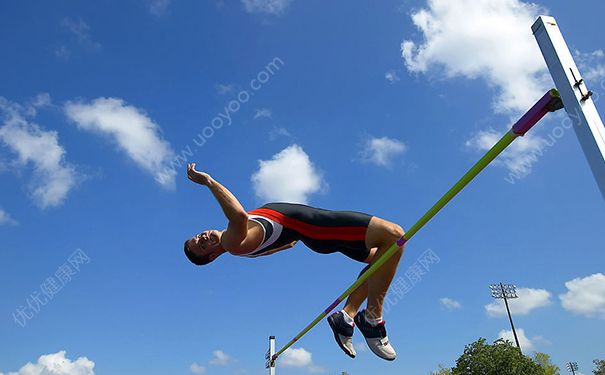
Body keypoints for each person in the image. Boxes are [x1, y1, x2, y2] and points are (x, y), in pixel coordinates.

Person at [183, 163, 405, 361]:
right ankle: (373, 319)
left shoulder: (240, 246)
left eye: (198, 237)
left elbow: (276, 245)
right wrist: (209, 182)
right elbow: (239, 216)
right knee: (394, 235)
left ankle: (346, 317)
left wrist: (288, 242)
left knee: (384, 258)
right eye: (202, 245)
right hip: (316, 228)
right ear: (212, 256)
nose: (202, 238)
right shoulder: (232, 243)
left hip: (313, 232)